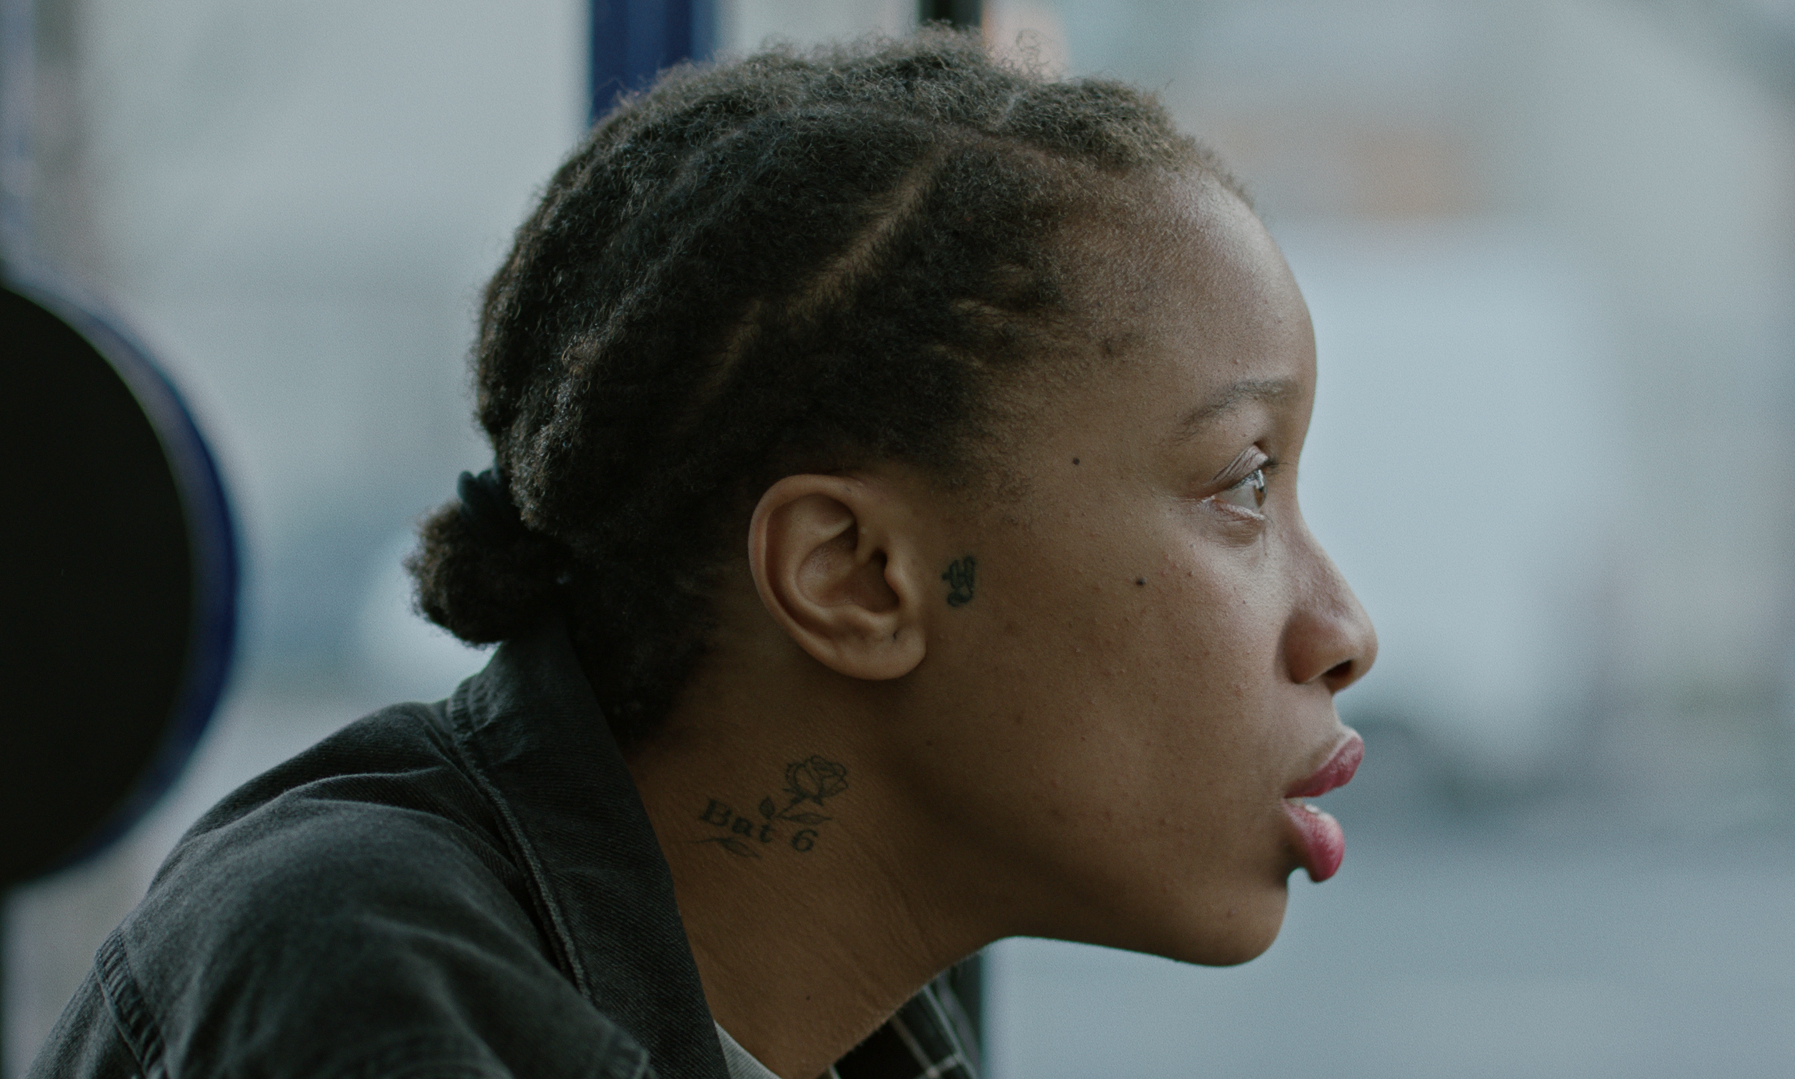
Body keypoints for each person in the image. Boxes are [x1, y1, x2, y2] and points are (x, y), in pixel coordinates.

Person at [29, 30, 1375, 1079]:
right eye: (1242, 483)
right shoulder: (363, 985)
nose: (1344, 630)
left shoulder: (846, 1029)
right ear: (851, 575)